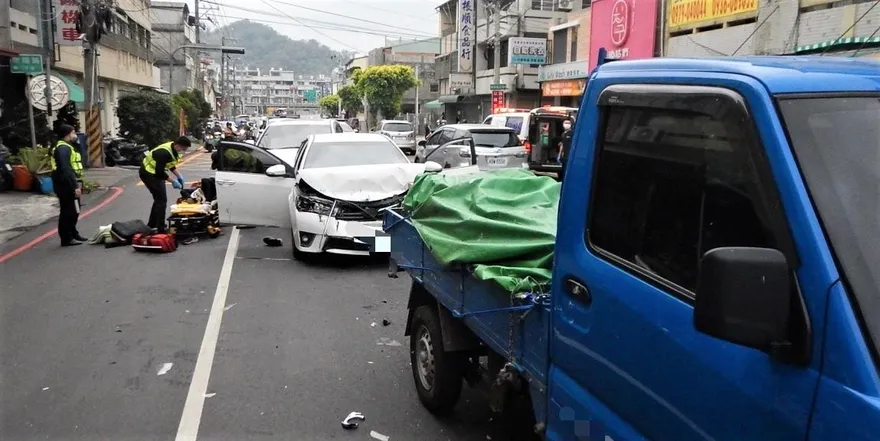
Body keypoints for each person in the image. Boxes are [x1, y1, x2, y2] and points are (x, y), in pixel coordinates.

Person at [139, 137, 191, 232]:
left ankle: (152, 225)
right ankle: (160, 228)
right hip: (148, 173)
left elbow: (170, 164)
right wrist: (173, 181)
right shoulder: (163, 152)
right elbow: (159, 173)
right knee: (161, 200)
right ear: (178, 145)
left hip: (156, 173)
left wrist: (179, 175)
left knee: (159, 199)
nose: (183, 151)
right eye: (183, 149)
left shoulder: (173, 148)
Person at [50, 124, 87, 246]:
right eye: (73, 132)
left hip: (69, 182)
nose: (75, 135)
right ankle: (66, 238)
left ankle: (73, 233)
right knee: (68, 211)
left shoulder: (68, 146)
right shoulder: (62, 148)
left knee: (75, 210)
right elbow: (66, 169)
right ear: (67, 134)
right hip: (64, 184)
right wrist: (74, 186)